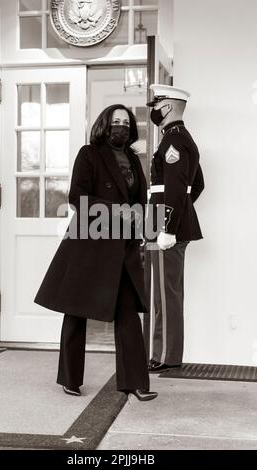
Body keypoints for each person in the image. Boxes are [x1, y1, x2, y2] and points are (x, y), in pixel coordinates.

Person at [34, 104, 157, 401]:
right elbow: (78, 196)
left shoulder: (132, 158)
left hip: (123, 246)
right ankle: (70, 378)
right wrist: (119, 212)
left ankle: (136, 383)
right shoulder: (89, 153)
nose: (121, 127)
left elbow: (141, 199)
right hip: (90, 242)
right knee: (77, 312)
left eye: (126, 123)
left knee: (128, 313)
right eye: (115, 122)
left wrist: (143, 224)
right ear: (105, 124)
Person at [146, 84, 204, 373]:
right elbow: (197, 186)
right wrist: (179, 212)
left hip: (165, 226)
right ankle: (165, 353)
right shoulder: (181, 139)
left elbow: (177, 187)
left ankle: (166, 356)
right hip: (169, 223)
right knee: (167, 293)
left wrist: (168, 226)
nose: (154, 110)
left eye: (156, 105)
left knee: (165, 295)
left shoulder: (174, 141)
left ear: (166, 107)